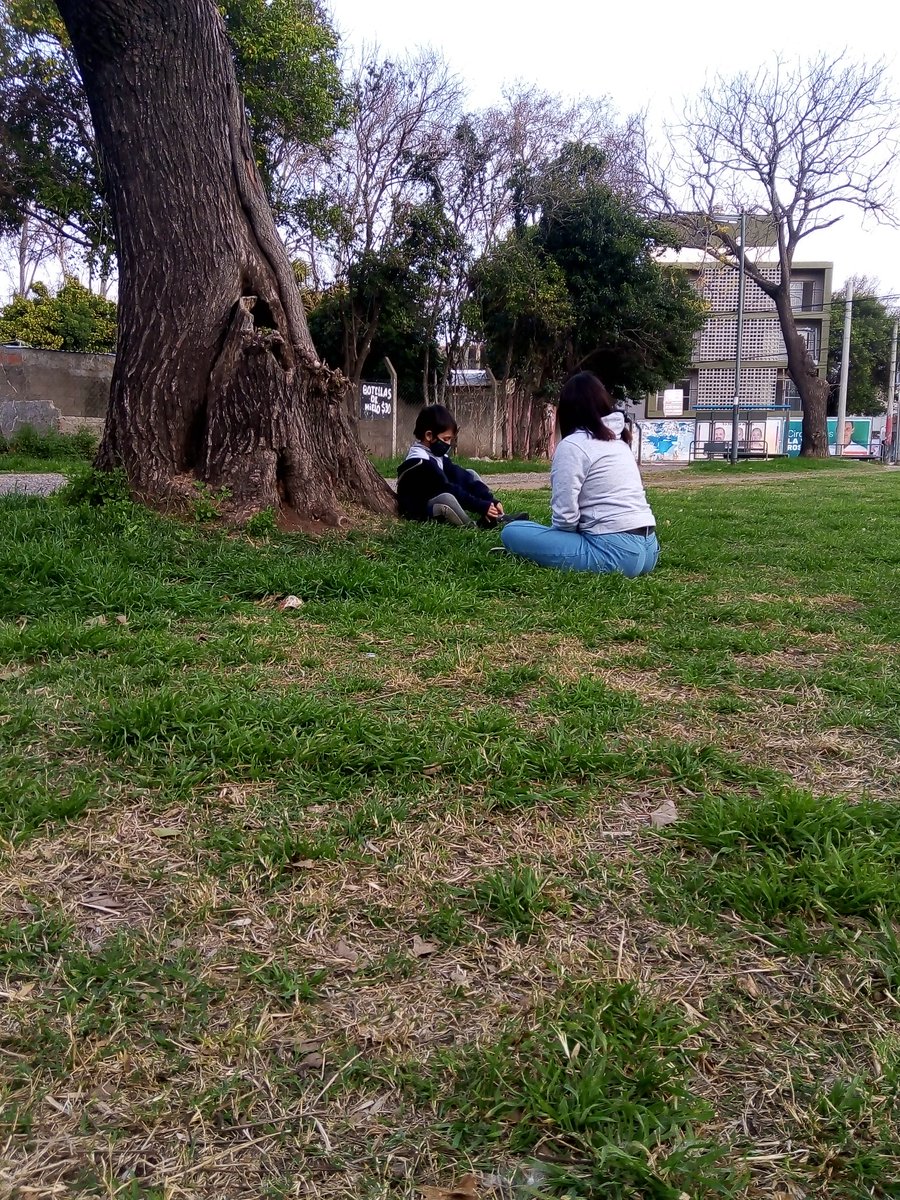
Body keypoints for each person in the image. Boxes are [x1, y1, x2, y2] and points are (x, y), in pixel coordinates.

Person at [500, 372, 659, 577]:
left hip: (617, 554)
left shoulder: (573, 445)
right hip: (649, 549)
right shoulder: (619, 443)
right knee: (528, 528)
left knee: (512, 531)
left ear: (567, 411)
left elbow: (565, 517)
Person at [396, 404, 527, 528]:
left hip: (437, 497)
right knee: (447, 497)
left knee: (470, 473)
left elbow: (460, 477)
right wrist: (481, 505)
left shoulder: (437, 455)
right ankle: (473, 527)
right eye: (446, 439)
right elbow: (449, 489)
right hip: (420, 510)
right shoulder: (419, 462)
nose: (448, 444)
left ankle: (499, 516)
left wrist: (491, 500)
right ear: (429, 435)